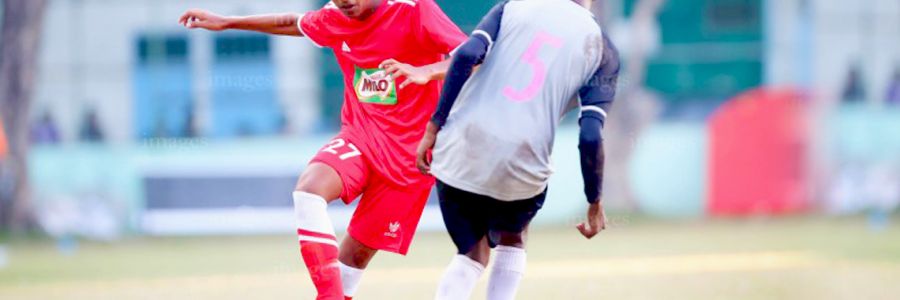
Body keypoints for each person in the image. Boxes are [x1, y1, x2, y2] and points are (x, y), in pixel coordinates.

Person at [179, 1, 466, 299]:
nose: (345, 3)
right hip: (361, 137)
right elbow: (290, 22)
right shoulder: (336, 16)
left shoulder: (414, 9)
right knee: (309, 191)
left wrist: (427, 71)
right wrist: (227, 22)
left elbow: (474, 57)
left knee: (354, 258)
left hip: (410, 157)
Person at [415, 0, 619, 299]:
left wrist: (433, 127)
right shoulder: (602, 48)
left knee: (471, 255)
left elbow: (467, 56)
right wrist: (594, 202)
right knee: (514, 238)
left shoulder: (512, 7)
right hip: (523, 160)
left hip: (462, 146)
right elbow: (590, 135)